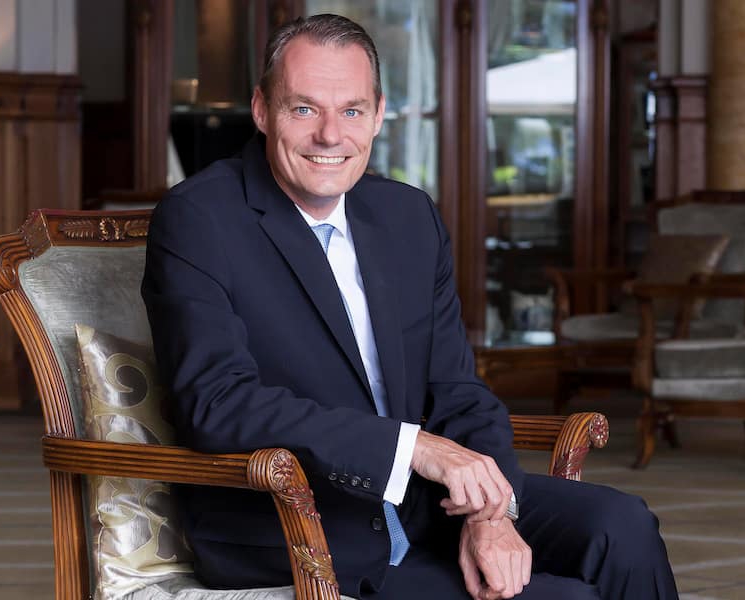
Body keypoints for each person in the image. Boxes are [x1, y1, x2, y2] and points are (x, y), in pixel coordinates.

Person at [142, 13, 678, 600]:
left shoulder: (406, 217)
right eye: (304, 109)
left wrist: (488, 513)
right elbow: (216, 403)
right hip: (304, 532)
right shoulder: (200, 218)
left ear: (377, 114)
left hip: (427, 509)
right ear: (262, 110)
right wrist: (416, 449)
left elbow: (457, 389)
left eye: (351, 110)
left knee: (623, 527)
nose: (330, 135)